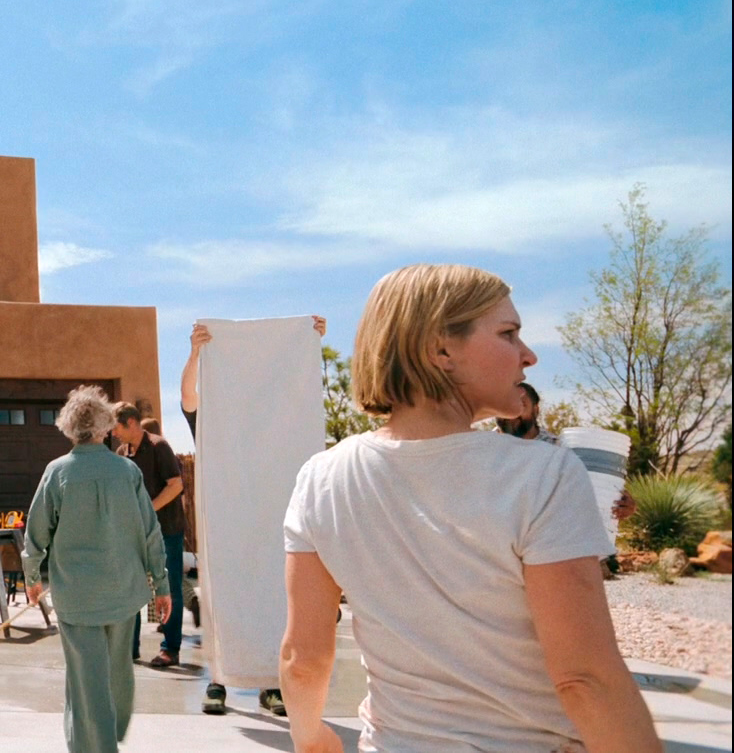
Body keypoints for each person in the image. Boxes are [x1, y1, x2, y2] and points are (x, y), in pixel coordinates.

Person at [281, 264, 660, 753]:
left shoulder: (321, 478)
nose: (529, 355)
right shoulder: (541, 473)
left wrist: (311, 738)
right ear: (441, 350)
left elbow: (303, 658)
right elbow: (586, 681)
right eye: (508, 334)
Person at [181, 315, 324, 716]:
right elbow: (188, 397)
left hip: (270, 517)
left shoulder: (275, 427)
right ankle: (218, 680)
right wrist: (195, 355)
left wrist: (307, 345)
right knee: (223, 598)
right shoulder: (214, 418)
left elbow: (298, 397)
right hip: (226, 521)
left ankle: (271, 684)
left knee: (273, 595)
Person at [23, 385, 171, 753]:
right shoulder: (128, 471)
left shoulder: (57, 472)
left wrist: (32, 578)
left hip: (77, 596)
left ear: (69, 427)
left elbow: (36, 533)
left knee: (86, 678)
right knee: (117, 671)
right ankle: (103, 735)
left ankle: (98, 744)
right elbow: (150, 532)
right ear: (105, 426)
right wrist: (162, 585)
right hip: (123, 591)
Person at [499, 382, 636, 576]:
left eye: (521, 405)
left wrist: (621, 504)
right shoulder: (481, 449)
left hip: (549, 557)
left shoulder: (563, 450)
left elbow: (598, 491)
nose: (511, 413)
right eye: (503, 404)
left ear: (536, 410)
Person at [108, 402, 187, 668]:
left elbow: (175, 485)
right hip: (134, 533)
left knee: (170, 588)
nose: (113, 433)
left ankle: (170, 649)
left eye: (116, 427)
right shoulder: (121, 453)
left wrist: (148, 510)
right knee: (130, 588)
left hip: (167, 531)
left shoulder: (158, 447)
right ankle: (129, 649)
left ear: (131, 422)